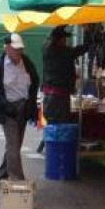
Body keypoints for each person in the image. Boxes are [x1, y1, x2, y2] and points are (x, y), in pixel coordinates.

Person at [0, 34, 40, 183]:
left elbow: (35, 81)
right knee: (13, 144)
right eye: (15, 49)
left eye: (20, 48)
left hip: (24, 108)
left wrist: (32, 104)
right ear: (6, 48)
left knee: (15, 145)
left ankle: (2, 174)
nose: (19, 52)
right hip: (7, 109)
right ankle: (18, 181)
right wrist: (1, 103)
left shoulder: (27, 62)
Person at [37, 25, 93, 153]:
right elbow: (82, 49)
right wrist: (88, 34)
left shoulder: (46, 49)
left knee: (51, 122)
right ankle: (57, 150)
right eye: (64, 38)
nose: (65, 41)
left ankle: (46, 144)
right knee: (61, 124)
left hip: (49, 94)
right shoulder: (62, 52)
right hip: (59, 95)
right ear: (59, 39)